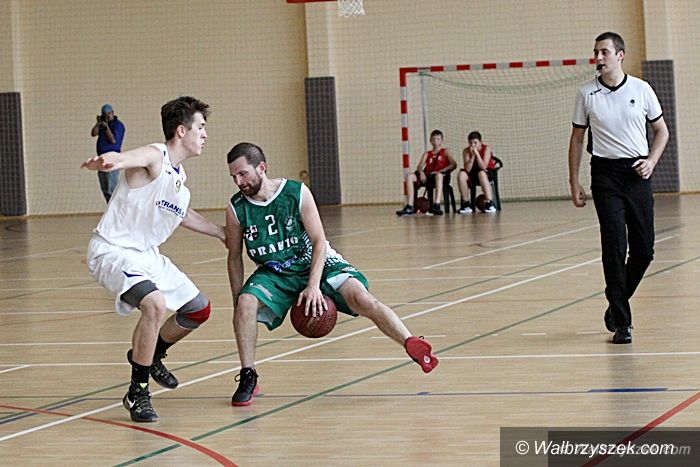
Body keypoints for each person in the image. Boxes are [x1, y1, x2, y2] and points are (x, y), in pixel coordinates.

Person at [226, 142, 439, 406]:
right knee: (245, 303)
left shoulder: (295, 192)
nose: (238, 181)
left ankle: (410, 342)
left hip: (316, 261)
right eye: (234, 176)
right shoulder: (237, 208)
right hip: (276, 272)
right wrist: (237, 300)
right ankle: (248, 375)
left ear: (261, 167)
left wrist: (313, 286)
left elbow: (319, 241)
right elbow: (234, 256)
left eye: (243, 174)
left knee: (362, 298)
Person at [81, 96, 226, 422]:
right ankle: (138, 391)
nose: (205, 134)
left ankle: (152, 353)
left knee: (198, 309)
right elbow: (126, 157)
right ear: (181, 131)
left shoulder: (178, 180)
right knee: (155, 304)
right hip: (112, 251)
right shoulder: (155, 156)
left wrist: (220, 232)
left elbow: (183, 213)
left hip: (146, 256)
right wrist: (107, 161)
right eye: (200, 127)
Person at [568, 32, 669, 344]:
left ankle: (615, 302)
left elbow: (661, 131)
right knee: (614, 246)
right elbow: (577, 139)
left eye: (604, 52)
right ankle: (623, 323)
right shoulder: (587, 93)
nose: (598, 57)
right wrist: (574, 181)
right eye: (596, 52)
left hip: (637, 174)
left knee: (644, 250)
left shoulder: (642, 89)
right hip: (605, 176)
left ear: (620, 55)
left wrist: (651, 161)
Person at [396, 129, 457, 216]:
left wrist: (441, 171)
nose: (436, 141)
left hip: (441, 177)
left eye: (438, 139)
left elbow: (453, 164)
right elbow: (420, 166)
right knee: (409, 176)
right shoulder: (427, 154)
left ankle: (436, 205)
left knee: (439, 175)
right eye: (434, 139)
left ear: (442, 140)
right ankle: (410, 206)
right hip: (428, 177)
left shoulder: (446, 151)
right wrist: (421, 173)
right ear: (430, 140)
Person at [91, 103, 126, 202]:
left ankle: (117, 208)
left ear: (112, 113)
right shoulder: (102, 125)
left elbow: (113, 140)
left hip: (111, 158)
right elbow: (93, 133)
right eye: (104, 114)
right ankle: (110, 207)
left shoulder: (118, 125)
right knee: (105, 188)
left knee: (112, 188)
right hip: (101, 158)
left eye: (108, 114)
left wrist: (106, 127)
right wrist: (98, 123)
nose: (107, 116)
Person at [457, 131, 497, 213]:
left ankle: (489, 203)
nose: (473, 145)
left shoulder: (486, 148)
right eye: (470, 143)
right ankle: (466, 204)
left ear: (480, 142)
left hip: (487, 171)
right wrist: (472, 156)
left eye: (475, 143)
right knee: (461, 174)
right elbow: (467, 169)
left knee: (481, 173)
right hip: (473, 172)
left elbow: (483, 167)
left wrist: (477, 154)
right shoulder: (466, 151)